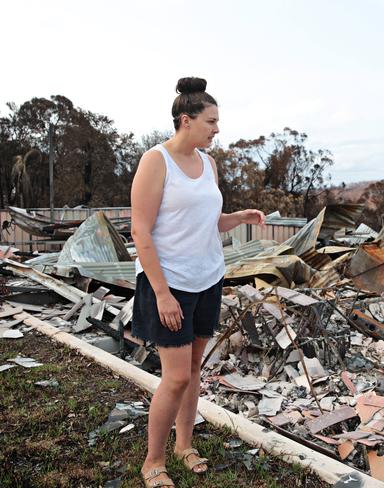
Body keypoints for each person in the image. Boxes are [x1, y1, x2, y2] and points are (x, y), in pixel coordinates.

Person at [130, 76, 265, 487]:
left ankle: (184, 445)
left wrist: (237, 218)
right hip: (169, 284)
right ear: (186, 120)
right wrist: (163, 293)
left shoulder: (208, 163)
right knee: (175, 377)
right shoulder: (156, 161)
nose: (218, 129)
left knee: (193, 369)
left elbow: (208, 222)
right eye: (211, 121)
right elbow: (141, 231)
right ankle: (153, 461)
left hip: (208, 279)